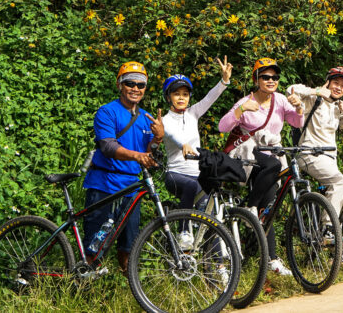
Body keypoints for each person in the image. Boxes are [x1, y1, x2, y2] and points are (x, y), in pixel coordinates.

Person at [218, 57, 305, 276]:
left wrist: (299, 108)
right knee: (262, 200)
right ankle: (250, 208)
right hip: (248, 157)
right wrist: (241, 110)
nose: (271, 80)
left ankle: (271, 259)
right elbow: (222, 126)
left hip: (270, 161)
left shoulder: (281, 100)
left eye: (274, 77)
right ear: (256, 79)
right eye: (266, 76)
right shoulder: (245, 101)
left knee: (269, 210)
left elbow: (297, 123)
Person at [82, 61, 164, 274]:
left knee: (129, 246)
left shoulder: (147, 118)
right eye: (130, 83)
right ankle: (83, 286)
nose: (136, 88)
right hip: (104, 185)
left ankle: (131, 292)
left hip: (132, 188)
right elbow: (108, 146)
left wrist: (158, 138)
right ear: (119, 84)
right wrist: (138, 156)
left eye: (141, 84)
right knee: (94, 246)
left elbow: (149, 153)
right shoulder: (107, 112)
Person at [287, 66, 343, 249]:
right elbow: (291, 90)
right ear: (328, 82)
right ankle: (328, 229)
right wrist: (316, 90)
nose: (339, 88)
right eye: (335, 83)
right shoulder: (313, 100)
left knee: (337, 185)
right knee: (339, 182)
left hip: (328, 159)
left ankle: (327, 235)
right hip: (309, 154)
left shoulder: (337, 109)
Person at [161, 57, 233, 249]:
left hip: (197, 175)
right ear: (168, 97)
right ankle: (183, 231)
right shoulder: (165, 120)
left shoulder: (193, 113)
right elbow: (171, 134)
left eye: (185, 93)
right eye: (176, 94)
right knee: (192, 186)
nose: (182, 97)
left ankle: (218, 264)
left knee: (213, 216)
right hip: (176, 175)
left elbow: (209, 98)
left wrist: (224, 81)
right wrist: (183, 144)